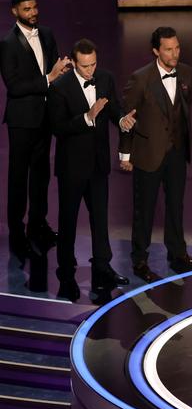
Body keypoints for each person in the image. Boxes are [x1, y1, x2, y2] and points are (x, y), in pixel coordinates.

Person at [48, 39, 134, 301]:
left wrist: (121, 119)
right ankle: (66, 273)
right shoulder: (60, 87)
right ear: (74, 62)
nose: (90, 71)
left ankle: (102, 266)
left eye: (94, 64)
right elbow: (57, 127)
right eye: (85, 66)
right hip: (72, 168)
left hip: (98, 165)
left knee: (100, 218)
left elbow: (114, 107)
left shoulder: (105, 78)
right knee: (68, 221)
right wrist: (87, 117)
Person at [119, 26, 192, 282]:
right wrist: (125, 154)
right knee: (144, 210)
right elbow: (127, 117)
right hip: (148, 153)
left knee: (175, 205)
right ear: (156, 51)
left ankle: (177, 254)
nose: (174, 53)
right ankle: (139, 260)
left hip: (176, 152)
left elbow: (183, 110)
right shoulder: (140, 78)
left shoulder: (187, 73)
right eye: (168, 49)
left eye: (177, 48)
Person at [0, 0, 70, 260]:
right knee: (18, 180)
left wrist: (61, 70)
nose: (33, 13)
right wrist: (48, 78)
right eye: (27, 9)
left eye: (35, 7)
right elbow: (14, 86)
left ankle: (38, 226)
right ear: (15, 12)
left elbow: (53, 71)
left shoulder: (48, 34)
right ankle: (17, 235)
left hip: (45, 118)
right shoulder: (8, 43)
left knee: (41, 176)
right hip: (21, 122)